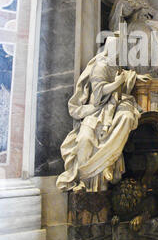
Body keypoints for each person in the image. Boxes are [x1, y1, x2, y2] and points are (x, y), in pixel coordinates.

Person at [56, 36, 150, 192]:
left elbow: (123, 74)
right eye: (117, 49)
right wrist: (117, 83)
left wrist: (134, 76)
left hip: (114, 104)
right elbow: (100, 92)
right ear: (110, 49)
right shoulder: (100, 65)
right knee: (85, 139)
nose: (119, 53)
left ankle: (107, 161)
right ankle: (86, 177)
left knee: (127, 117)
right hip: (97, 108)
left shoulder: (115, 65)